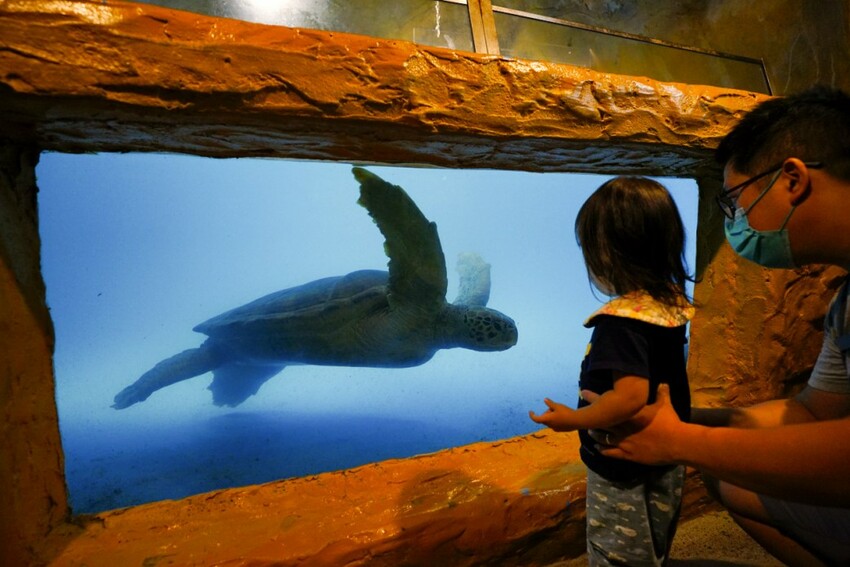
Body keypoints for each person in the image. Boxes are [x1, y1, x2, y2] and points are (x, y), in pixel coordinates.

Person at [582, 85, 850, 566]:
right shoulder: (847, 302)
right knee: (731, 475)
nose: (735, 220)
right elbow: (814, 412)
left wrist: (680, 440)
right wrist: (679, 421)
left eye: (734, 201)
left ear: (792, 179)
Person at [529, 176, 695, 566]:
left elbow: (630, 396)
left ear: (606, 255)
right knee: (652, 539)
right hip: (666, 456)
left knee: (616, 552)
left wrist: (575, 419)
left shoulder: (621, 323)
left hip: (621, 458)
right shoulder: (667, 305)